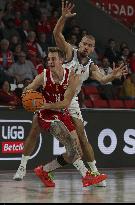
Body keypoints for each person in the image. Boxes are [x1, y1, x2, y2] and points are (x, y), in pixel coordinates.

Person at [49, 0, 128, 187]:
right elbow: (56, 34)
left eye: (90, 46)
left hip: (73, 101)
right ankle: (86, 175)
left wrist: (112, 76)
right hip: (59, 98)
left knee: (83, 139)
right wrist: (62, 18)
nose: (86, 47)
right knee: (74, 145)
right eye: (84, 44)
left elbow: (102, 80)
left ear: (93, 49)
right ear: (80, 43)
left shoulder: (91, 65)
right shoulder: (70, 52)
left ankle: (93, 171)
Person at [13, 47, 107, 188]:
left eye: (53, 59)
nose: (50, 61)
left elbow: (65, 103)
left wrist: (44, 104)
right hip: (46, 114)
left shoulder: (72, 77)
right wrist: (27, 95)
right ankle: (86, 175)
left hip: (60, 111)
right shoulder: (43, 76)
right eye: (48, 59)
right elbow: (29, 89)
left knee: (76, 152)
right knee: (67, 142)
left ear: (62, 60)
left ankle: (44, 170)